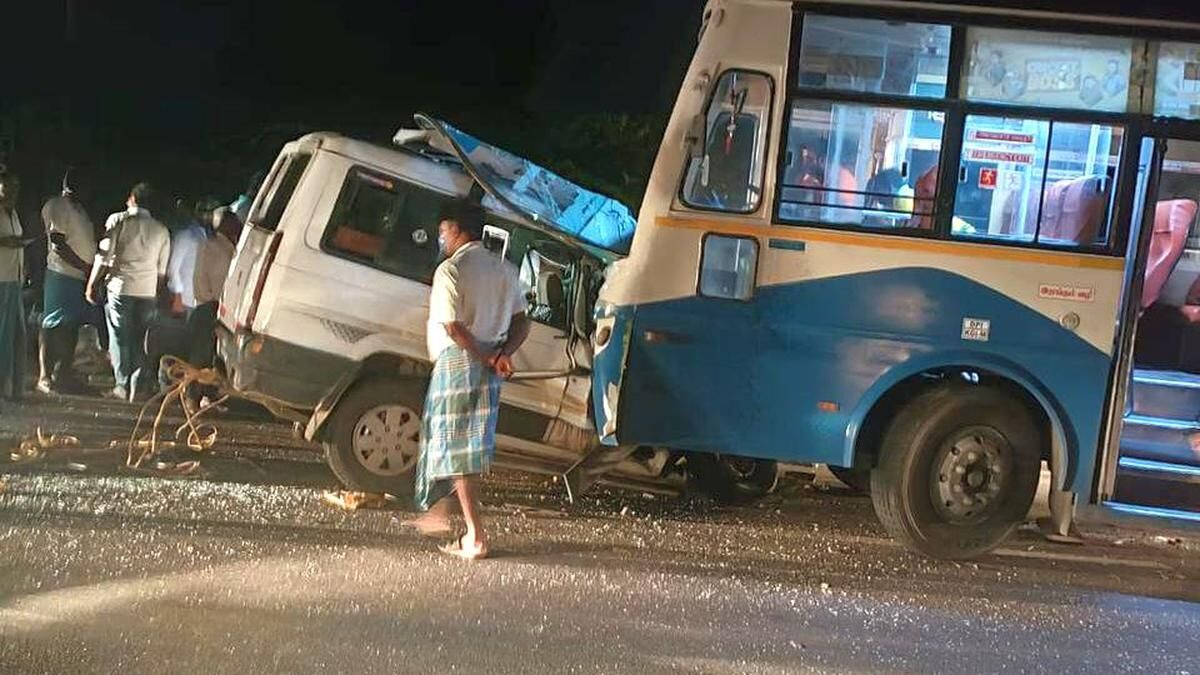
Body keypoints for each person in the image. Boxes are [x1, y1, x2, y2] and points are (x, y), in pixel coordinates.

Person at [409, 201, 530, 560]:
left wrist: (487, 356)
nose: (441, 238)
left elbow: (453, 327)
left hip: (459, 362)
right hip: (490, 364)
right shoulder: (506, 270)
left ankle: (475, 536)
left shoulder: (451, 270)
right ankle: (439, 514)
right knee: (465, 446)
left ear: (457, 229)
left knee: (455, 448)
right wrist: (502, 354)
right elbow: (522, 322)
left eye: (443, 231)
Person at [86, 182, 171, 402]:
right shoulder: (162, 230)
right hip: (147, 291)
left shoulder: (118, 220)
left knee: (120, 337)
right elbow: (162, 272)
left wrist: (92, 283)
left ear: (132, 199)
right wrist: (157, 293)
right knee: (141, 339)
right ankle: (138, 385)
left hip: (120, 288)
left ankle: (122, 385)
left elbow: (104, 257)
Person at [37, 169, 99, 394]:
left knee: (71, 327)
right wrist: (85, 267)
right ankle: (45, 376)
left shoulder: (79, 210)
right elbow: (58, 244)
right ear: (73, 185)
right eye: (86, 185)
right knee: (52, 325)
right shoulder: (57, 205)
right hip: (61, 274)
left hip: (77, 277)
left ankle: (63, 374)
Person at [0, 171, 33, 401]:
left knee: (17, 336)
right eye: (6, 187)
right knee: (4, 336)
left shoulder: (13, 214)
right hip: (2, 279)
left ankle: (13, 388)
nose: (11, 192)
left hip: (14, 279)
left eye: (14, 187)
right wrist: (6, 242)